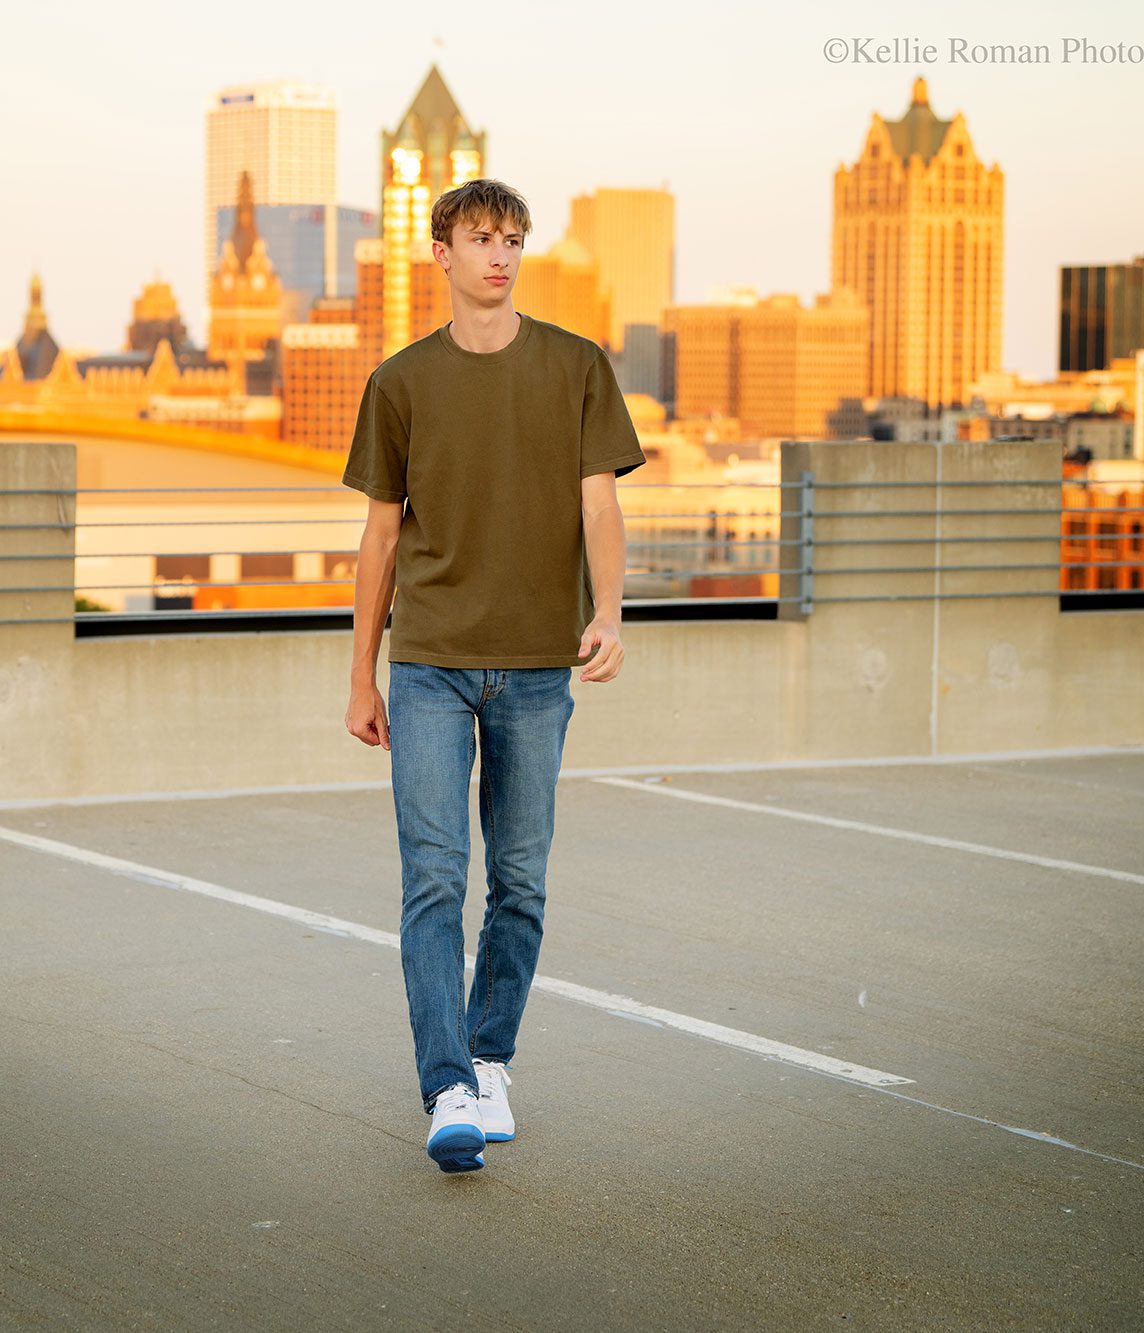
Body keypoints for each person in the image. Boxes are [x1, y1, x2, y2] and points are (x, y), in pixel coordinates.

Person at [341, 178, 644, 1173]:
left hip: (533, 666)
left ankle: (487, 1053)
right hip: (426, 662)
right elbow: (379, 538)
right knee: (433, 879)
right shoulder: (399, 382)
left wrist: (606, 609)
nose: (499, 256)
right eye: (480, 239)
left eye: (512, 239)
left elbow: (597, 503)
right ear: (441, 253)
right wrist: (361, 677)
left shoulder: (573, 366)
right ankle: (444, 1089)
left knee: (519, 881)